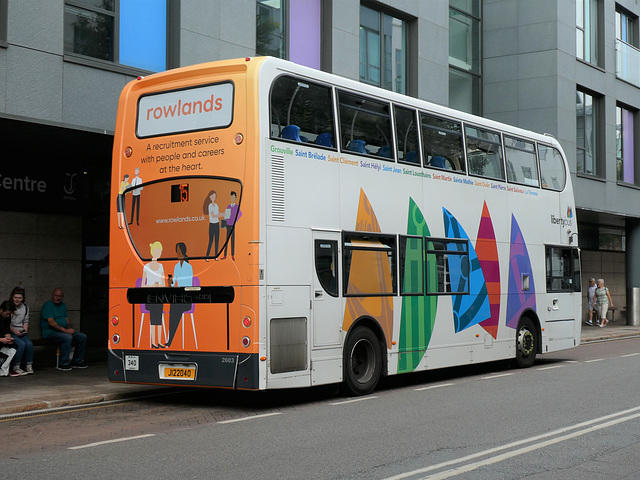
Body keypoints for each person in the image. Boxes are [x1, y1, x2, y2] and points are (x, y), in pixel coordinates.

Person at [40, 288, 88, 371]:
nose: (58, 298)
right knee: (67, 337)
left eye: (60, 296)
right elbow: (51, 322)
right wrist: (65, 331)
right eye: (56, 296)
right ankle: (63, 363)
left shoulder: (63, 305)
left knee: (82, 336)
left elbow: (66, 319)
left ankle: (77, 361)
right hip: (50, 332)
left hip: (63, 330)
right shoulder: (48, 305)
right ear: (52, 296)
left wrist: (69, 328)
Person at [167, 242, 194, 347]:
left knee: (175, 307)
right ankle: (170, 339)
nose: (177, 252)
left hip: (187, 298)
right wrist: (170, 283)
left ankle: (171, 339)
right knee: (173, 306)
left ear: (182, 251)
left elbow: (189, 285)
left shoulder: (189, 267)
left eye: (178, 250)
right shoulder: (176, 266)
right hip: (179, 297)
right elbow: (174, 283)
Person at [142, 241, 166, 348]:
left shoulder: (161, 266)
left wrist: (159, 285)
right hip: (150, 297)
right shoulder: (146, 267)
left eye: (160, 251)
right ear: (153, 252)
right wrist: (152, 286)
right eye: (157, 251)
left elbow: (164, 284)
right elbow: (143, 285)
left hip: (159, 297)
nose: (159, 253)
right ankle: (153, 341)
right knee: (153, 319)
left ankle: (159, 341)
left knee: (159, 319)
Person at [8, 286, 34, 375]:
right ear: (12, 297)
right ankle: (16, 366)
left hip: (21, 331)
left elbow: (26, 321)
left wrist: (25, 329)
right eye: (15, 297)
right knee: (21, 344)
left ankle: (29, 365)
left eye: (19, 298)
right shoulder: (9, 306)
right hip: (11, 331)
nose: (17, 300)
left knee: (29, 344)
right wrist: (14, 331)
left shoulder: (25, 307)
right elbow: (5, 324)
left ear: (23, 298)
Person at [203, 190, 223, 261]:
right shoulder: (210, 206)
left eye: (214, 196)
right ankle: (207, 256)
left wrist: (224, 214)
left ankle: (216, 256)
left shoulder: (216, 205)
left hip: (217, 224)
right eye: (212, 196)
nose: (213, 197)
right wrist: (223, 214)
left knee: (217, 240)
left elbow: (218, 213)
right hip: (212, 225)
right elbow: (213, 215)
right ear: (210, 197)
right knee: (211, 241)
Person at [222, 191, 242, 260]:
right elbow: (226, 215)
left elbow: (240, 214)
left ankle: (232, 255)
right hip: (228, 224)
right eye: (231, 197)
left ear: (235, 198)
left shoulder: (236, 206)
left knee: (232, 240)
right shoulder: (228, 206)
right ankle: (225, 255)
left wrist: (236, 221)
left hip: (232, 225)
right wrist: (224, 222)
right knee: (226, 240)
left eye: (233, 197)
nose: (232, 198)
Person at [0, 300, 17, 377]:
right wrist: (1, 340)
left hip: (1, 336)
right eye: (6, 314)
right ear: (1, 310)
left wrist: (8, 338)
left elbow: (6, 330)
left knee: (14, 345)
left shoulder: (7, 316)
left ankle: (5, 368)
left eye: (9, 314)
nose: (7, 316)